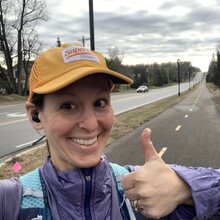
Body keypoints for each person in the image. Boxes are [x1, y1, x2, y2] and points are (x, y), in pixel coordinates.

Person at [0, 43, 218, 220]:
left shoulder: (141, 188)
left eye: (100, 102)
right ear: (35, 115)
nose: (91, 124)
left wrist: (185, 189)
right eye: (68, 106)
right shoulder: (12, 201)